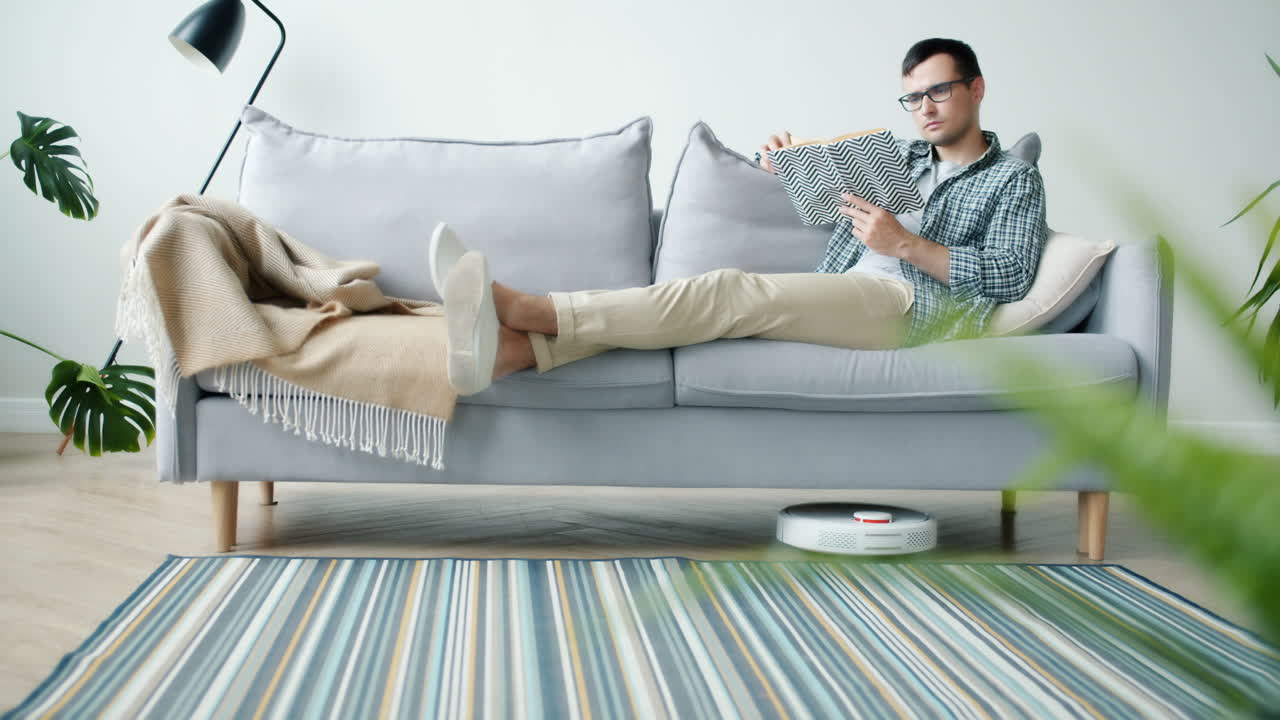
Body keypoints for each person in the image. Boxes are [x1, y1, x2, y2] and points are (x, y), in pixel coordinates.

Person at [434, 37, 1048, 396]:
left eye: (939, 91)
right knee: (693, 314)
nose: (925, 108)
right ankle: (512, 356)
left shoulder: (1012, 177)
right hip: (850, 289)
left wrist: (907, 244)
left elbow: (1013, 275)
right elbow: (837, 205)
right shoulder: (903, 156)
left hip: (909, 308)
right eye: (914, 97)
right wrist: (792, 168)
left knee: (729, 291)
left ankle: (529, 310)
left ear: (976, 89)